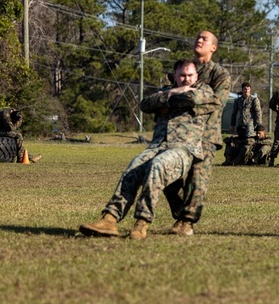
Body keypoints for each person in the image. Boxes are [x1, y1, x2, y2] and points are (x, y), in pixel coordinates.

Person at [79, 58, 214, 240]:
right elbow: (145, 104)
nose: (186, 79)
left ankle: (141, 222)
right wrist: (173, 93)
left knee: (157, 166)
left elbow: (194, 98)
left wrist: (167, 99)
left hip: (183, 149)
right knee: (133, 168)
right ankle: (110, 219)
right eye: (182, 75)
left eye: (190, 75)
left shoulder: (204, 90)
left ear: (196, 75)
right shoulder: (168, 90)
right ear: (175, 76)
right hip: (157, 146)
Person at [165, 30, 232, 237]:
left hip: (205, 135)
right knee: (167, 174)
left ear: (213, 48)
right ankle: (181, 212)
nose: (199, 40)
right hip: (179, 133)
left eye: (205, 39)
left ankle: (187, 221)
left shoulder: (219, 74)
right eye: (197, 37)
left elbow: (216, 102)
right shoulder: (184, 70)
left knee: (197, 179)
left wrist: (185, 99)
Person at [224, 82, 262, 166]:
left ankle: (247, 158)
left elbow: (258, 113)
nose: (246, 90)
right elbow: (234, 113)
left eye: (248, 89)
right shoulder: (238, 101)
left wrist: (259, 126)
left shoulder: (254, 99)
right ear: (242, 90)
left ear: (250, 89)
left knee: (249, 142)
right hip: (241, 125)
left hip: (251, 125)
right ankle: (233, 158)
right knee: (239, 141)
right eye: (245, 89)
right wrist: (232, 124)